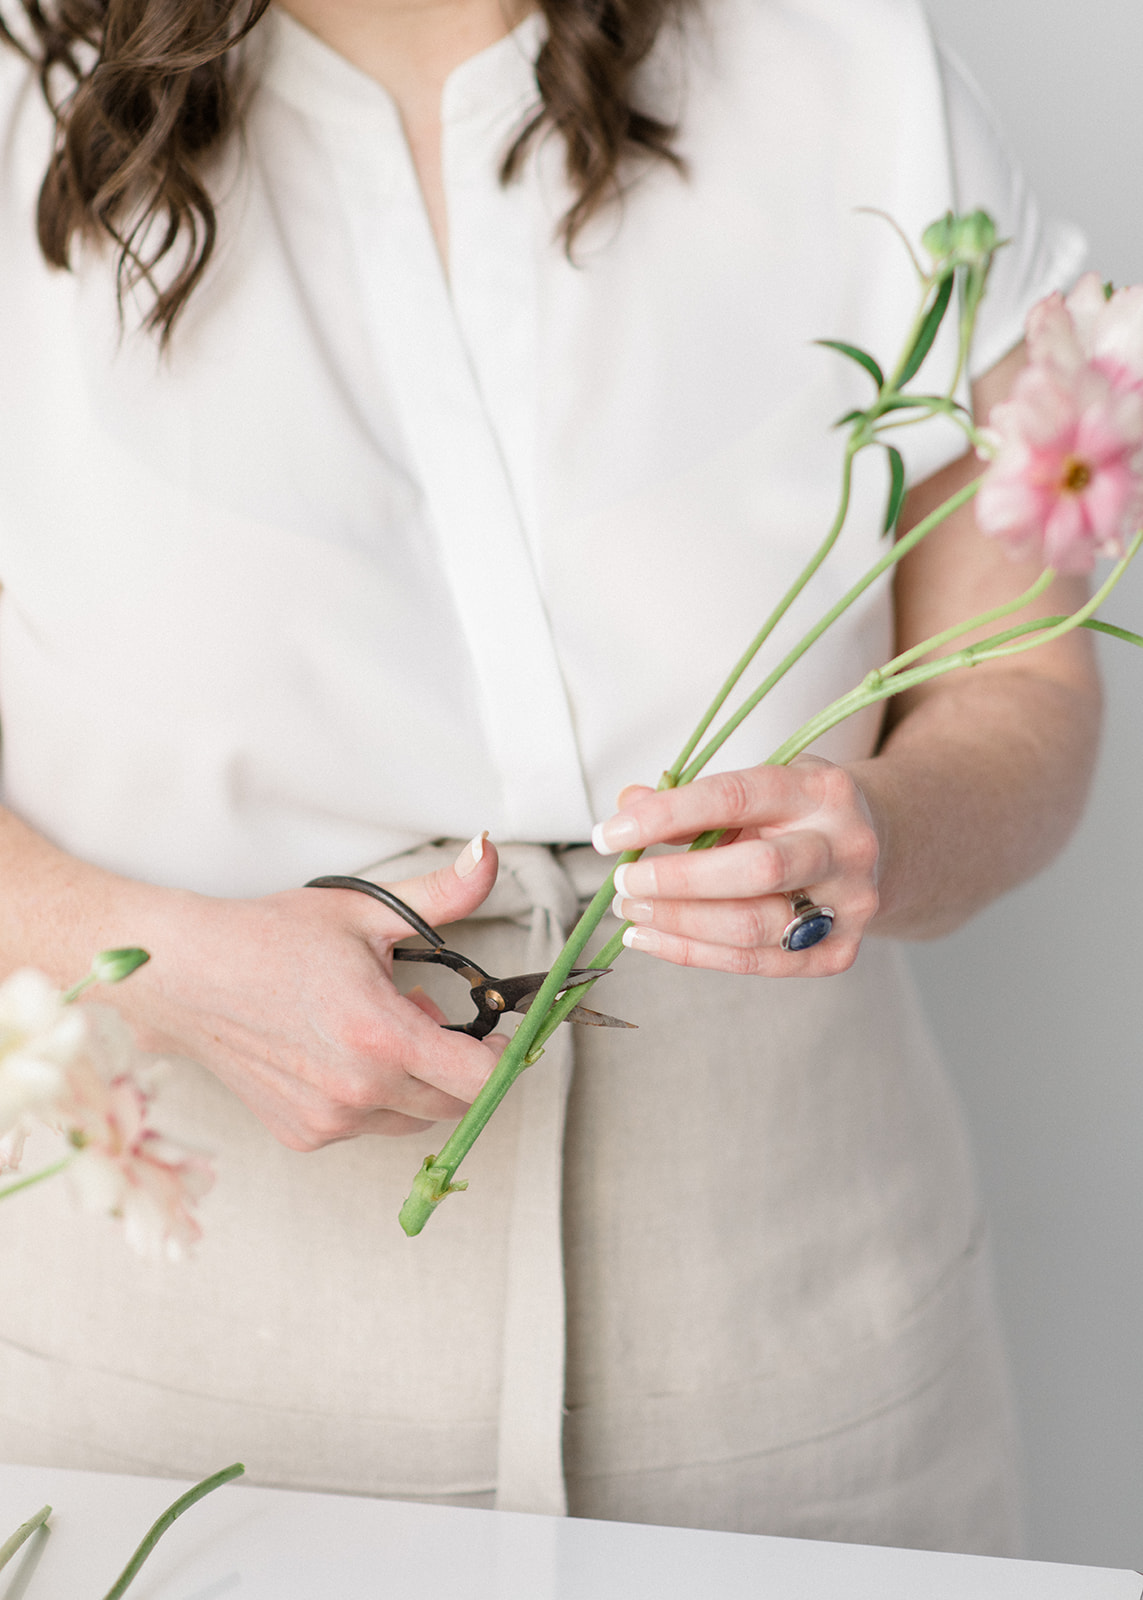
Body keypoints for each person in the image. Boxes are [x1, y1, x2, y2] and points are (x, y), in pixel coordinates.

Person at [0, 0, 1099, 1557]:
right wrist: (148, 955)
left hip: (802, 1345)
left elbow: (1022, 684)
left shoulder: (850, 65)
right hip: (173, 1356)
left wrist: (889, 836)